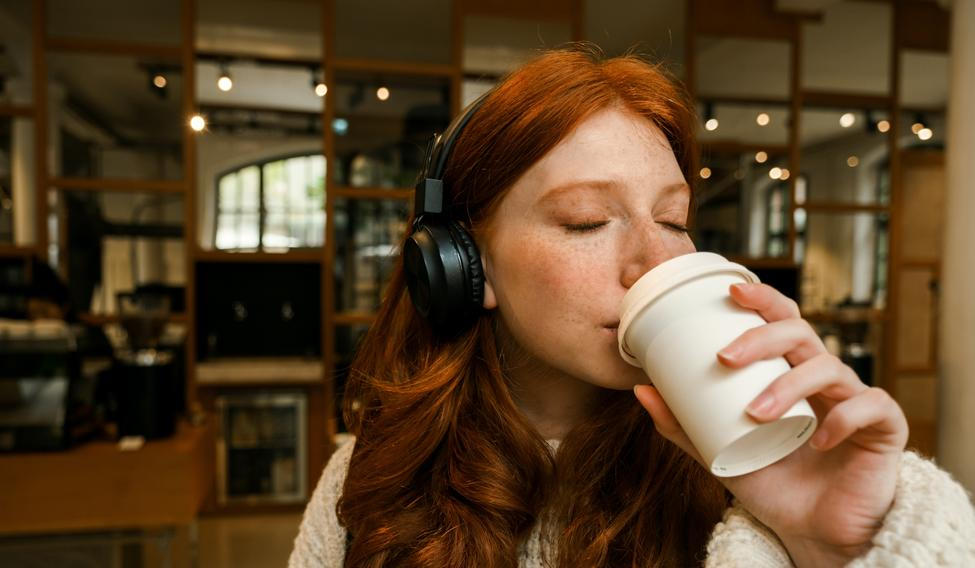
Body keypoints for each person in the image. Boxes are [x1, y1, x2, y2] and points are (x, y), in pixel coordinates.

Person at [290, 47, 975, 567]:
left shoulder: (754, 476)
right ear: (464, 266)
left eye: (673, 220)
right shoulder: (367, 481)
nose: (657, 260)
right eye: (586, 220)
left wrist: (832, 542)